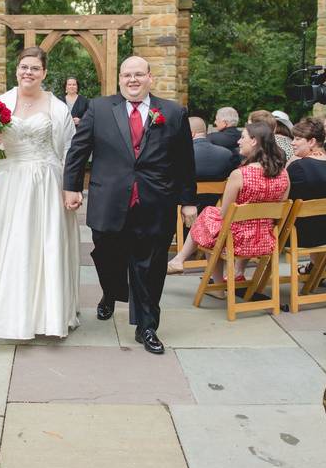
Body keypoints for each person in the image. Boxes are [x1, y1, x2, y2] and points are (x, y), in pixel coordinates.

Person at [64, 55, 196, 354]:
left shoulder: (172, 112)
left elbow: (185, 161)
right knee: (107, 254)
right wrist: (71, 187)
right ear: (119, 79)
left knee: (150, 265)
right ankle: (111, 292)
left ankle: (147, 326)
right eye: (127, 75)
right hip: (109, 199)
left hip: (155, 201)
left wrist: (188, 201)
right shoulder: (98, 109)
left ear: (150, 77)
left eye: (138, 74)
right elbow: (78, 150)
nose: (132, 80)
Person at [0, 47, 80, 338]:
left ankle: (47, 314)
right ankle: (11, 311)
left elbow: (67, 150)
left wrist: (69, 188)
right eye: (24, 67)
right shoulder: (1, 102)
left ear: (44, 73)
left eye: (35, 68)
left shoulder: (57, 107)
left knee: (44, 244)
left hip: (46, 183)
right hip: (10, 180)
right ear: (16, 70)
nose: (28, 72)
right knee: (12, 242)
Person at [168, 122, 289, 282]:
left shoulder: (240, 174)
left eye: (243, 137)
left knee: (209, 217)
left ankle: (183, 262)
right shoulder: (284, 174)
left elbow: (225, 214)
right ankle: (237, 273)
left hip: (237, 242)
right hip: (266, 241)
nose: (238, 141)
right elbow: (280, 209)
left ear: (254, 141)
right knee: (212, 218)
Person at [287, 118, 326, 248]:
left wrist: (290, 162)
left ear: (312, 142)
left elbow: (284, 199)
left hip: (299, 235)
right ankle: (316, 266)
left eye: (298, 139)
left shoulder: (298, 166)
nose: (293, 143)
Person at [190, 116, 239, 210]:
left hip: (184, 211)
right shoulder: (226, 154)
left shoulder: (181, 154)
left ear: (192, 134)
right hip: (216, 209)